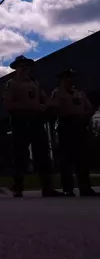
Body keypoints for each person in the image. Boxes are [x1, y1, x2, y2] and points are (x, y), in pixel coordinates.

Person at [3, 55, 62, 198]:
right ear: (16, 68)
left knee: (42, 154)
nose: (25, 69)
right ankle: (17, 187)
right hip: (20, 120)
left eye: (27, 66)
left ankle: (47, 188)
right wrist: (30, 105)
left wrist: (46, 106)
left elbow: (44, 99)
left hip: (36, 120)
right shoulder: (11, 84)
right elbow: (8, 104)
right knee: (19, 155)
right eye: (21, 66)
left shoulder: (35, 83)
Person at [48, 69, 98, 197]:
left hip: (80, 125)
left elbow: (89, 107)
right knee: (66, 159)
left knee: (83, 159)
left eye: (71, 77)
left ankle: (85, 188)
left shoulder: (80, 93)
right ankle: (68, 189)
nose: (70, 79)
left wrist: (87, 115)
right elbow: (55, 109)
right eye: (67, 77)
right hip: (66, 125)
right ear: (61, 80)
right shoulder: (57, 93)